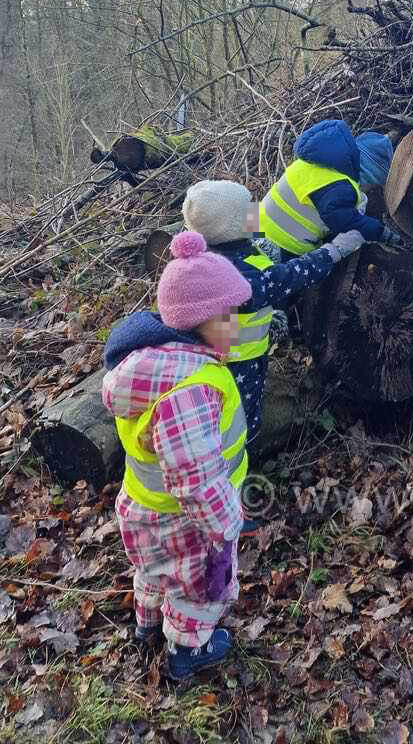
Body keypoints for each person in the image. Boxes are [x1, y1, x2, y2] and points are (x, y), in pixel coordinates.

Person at [101, 231, 251, 681]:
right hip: (183, 521)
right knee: (196, 587)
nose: (238, 327)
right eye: (228, 317)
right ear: (197, 321)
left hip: (142, 507)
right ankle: (188, 652)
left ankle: (146, 626)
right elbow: (197, 478)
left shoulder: (151, 365)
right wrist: (226, 524)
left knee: (152, 571)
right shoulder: (190, 391)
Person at [181, 178, 365, 445]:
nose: (255, 210)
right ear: (234, 227)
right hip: (237, 365)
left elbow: (247, 231)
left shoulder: (200, 256)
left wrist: (262, 244)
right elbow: (292, 276)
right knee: (240, 422)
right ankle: (236, 465)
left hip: (212, 357)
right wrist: (336, 249)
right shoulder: (240, 277)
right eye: (250, 209)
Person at [259, 119, 403, 258]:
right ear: (366, 174)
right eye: (371, 184)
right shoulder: (341, 187)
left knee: (245, 259)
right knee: (267, 275)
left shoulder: (316, 160)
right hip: (281, 244)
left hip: (253, 221)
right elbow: (348, 222)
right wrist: (383, 234)